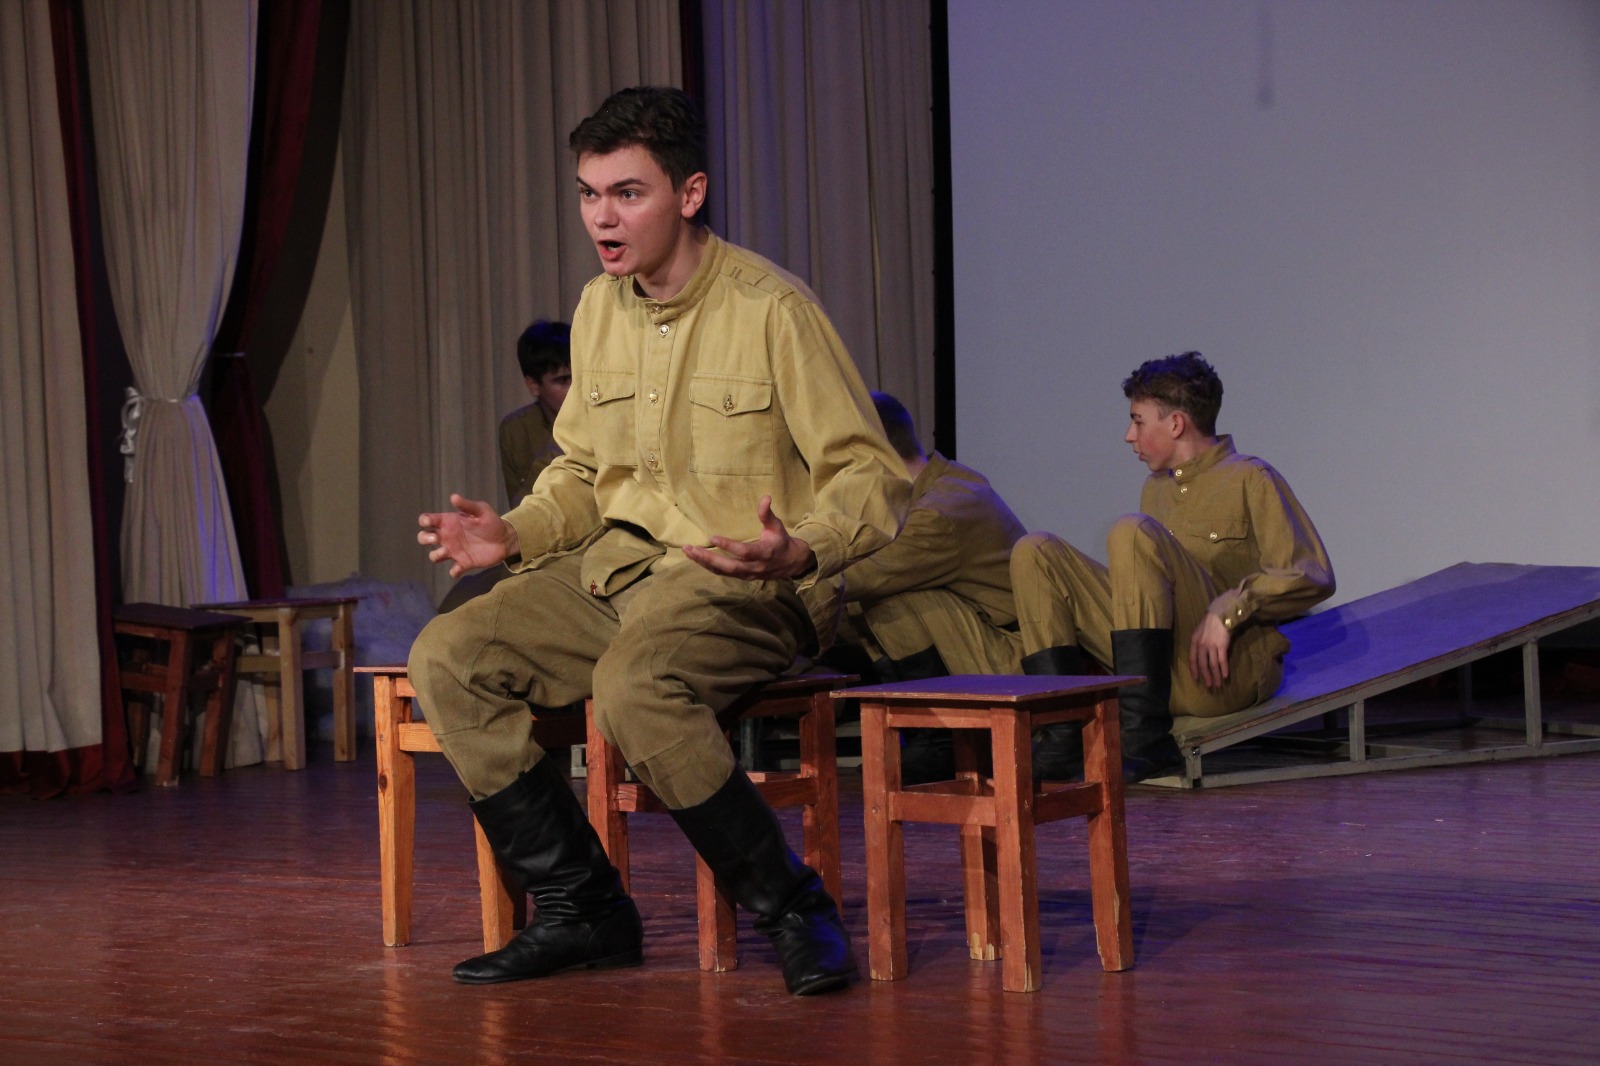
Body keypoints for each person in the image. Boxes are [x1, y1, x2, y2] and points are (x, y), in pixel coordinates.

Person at [407, 86, 909, 997]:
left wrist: (802, 548)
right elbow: (580, 473)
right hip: (616, 570)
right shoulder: (599, 308)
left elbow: (870, 474)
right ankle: (583, 909)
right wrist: (512, 532)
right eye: (589, 194)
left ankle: (793, 908)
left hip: (745, 580)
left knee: (634, 686)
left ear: (689, 193)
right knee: (448, 656)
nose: (602, 217)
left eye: (627, 193)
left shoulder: (770, 308)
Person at [1011, 351, 1334, 783]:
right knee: (1034, 550)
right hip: (1161, 674)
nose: (1129, 436)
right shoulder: (1156, 489)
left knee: (1131, 531)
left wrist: (1229, 608)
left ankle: (1144, 739)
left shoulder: (1251, 478)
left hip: (1225, 673)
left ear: (1176, 424)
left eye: (1138, 421)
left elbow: (1311, 574)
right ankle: (1061, 732)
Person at [828, 391, 1027, 781]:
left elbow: (861, 576)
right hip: (974, 645)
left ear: (875, 454)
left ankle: (938, 737)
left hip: (1011, 660)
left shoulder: (941, 510)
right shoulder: (922, 492)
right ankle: (925, 733)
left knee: (884, 597)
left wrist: (771, 577)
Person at [499, 319, 573, 506]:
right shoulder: (516, 431)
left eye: (579, 378)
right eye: (563, 380)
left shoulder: (604, 417)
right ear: (533, 385)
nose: (576, 389)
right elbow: (519, 509)